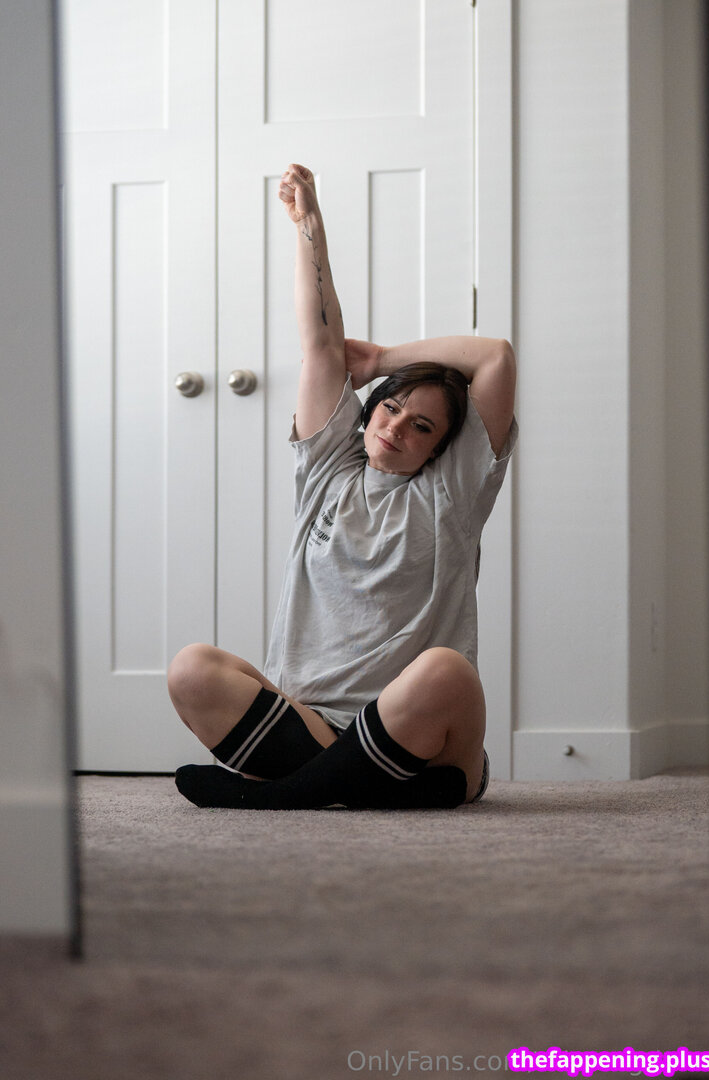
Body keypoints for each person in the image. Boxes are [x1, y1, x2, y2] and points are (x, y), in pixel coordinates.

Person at [169, 164, 517, 811]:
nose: (396, 427)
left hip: (417, 730)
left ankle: (284, 794)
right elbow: (323, 345)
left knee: (445, 671)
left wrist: (383, 361)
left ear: (441, 449)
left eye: (421, 427)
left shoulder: (451, 496)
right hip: (312, 721)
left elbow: (495, 357)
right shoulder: (329, 469)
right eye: (390, 407)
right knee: (192, 668)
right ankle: (355, 783)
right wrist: (310, 225)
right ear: (369, 410)